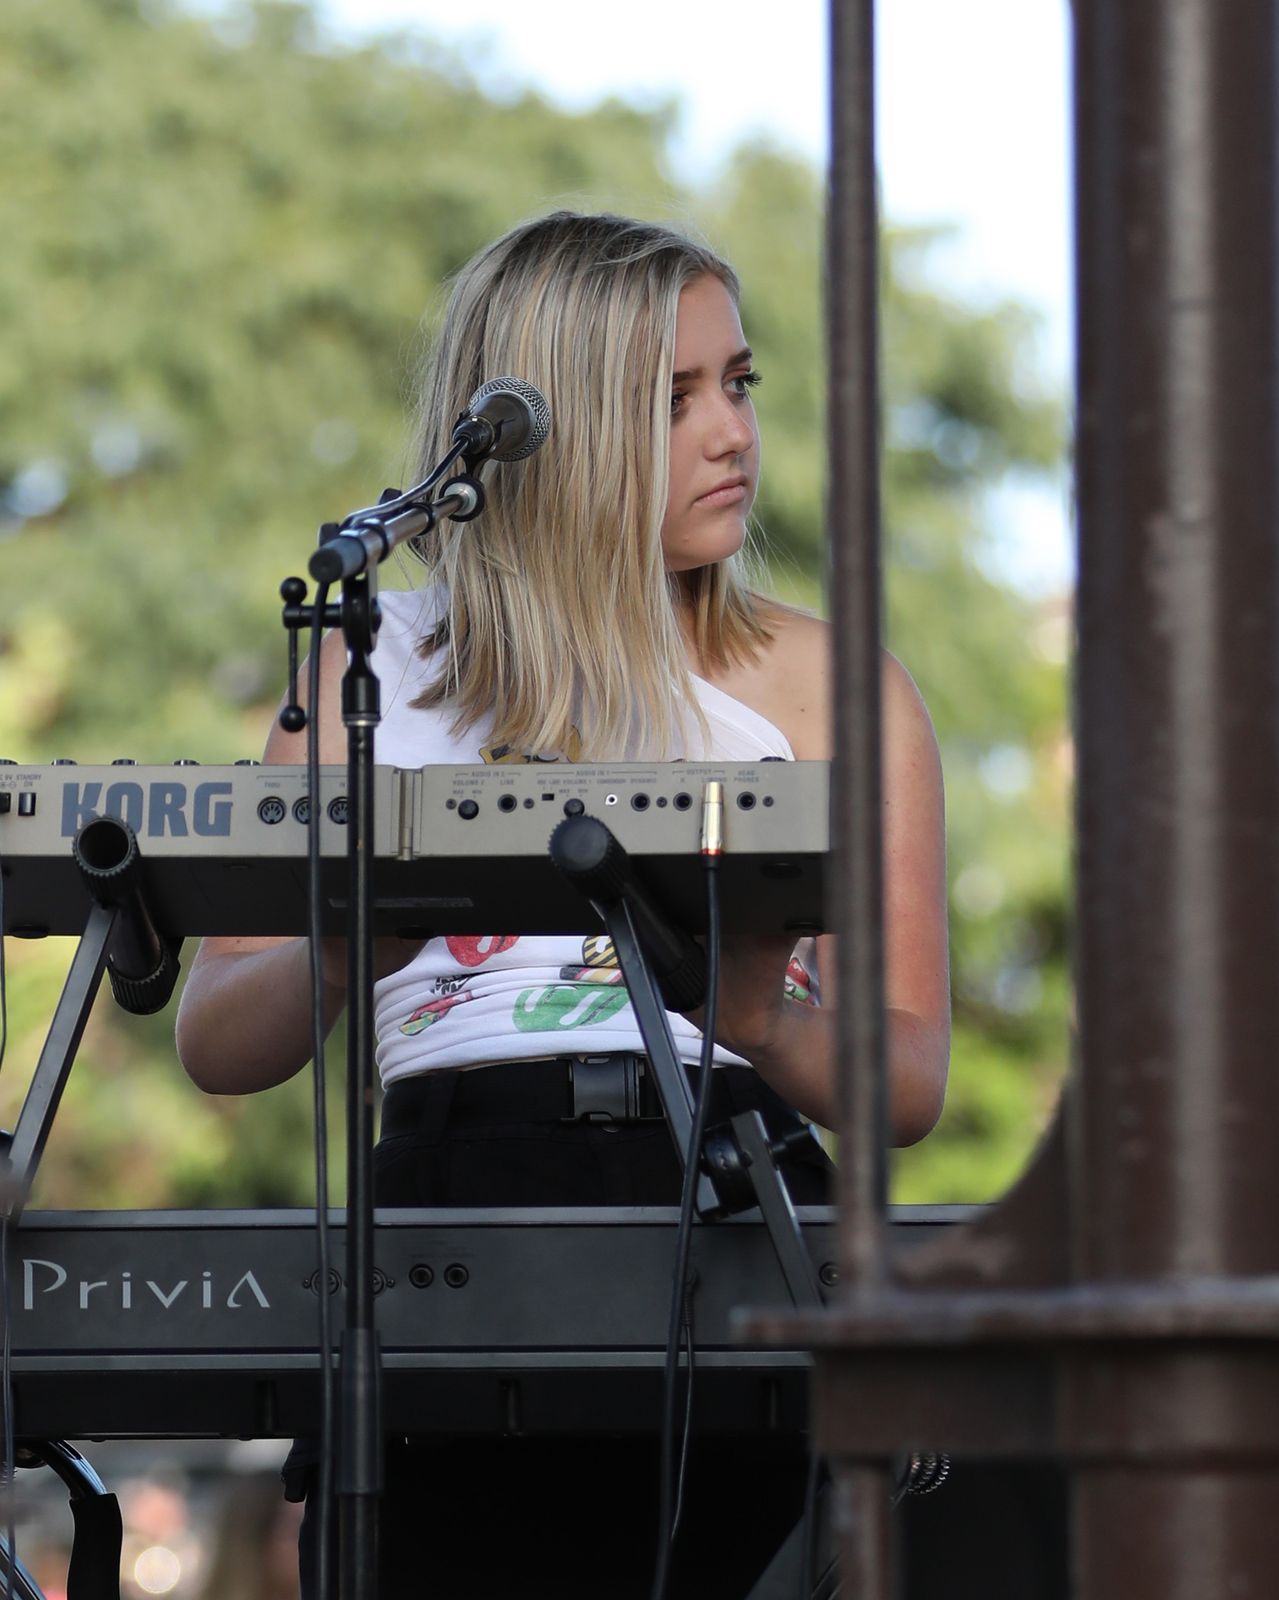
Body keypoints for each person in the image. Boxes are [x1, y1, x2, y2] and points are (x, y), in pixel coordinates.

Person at [175, 211, 949, 1598]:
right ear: (550, 430)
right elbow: (218, 1037)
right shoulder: (369, 671)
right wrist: (350, 951)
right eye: (675, 399)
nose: (734, 434)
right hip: (446, 1205)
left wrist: (766, 1019)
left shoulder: (833, 685)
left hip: (737, 1191)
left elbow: (909, 1080)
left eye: (739, 384)